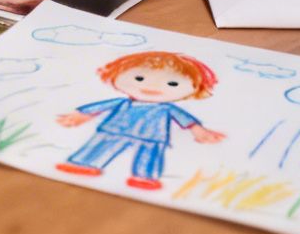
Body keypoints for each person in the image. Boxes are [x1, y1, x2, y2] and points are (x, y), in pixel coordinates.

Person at [54, 51, 226, 191]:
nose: (152, 87)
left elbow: (186, 120)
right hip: (114, 130)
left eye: (172, 83)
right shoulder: (123, 102)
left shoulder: (166, 108)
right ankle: (83, 164)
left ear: (196, 88)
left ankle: (145, 178)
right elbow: (97, 108)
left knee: (149, 156)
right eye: (139, 79)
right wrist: (80, 116)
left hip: (152, 136)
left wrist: (199, 131)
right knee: (101, 145)